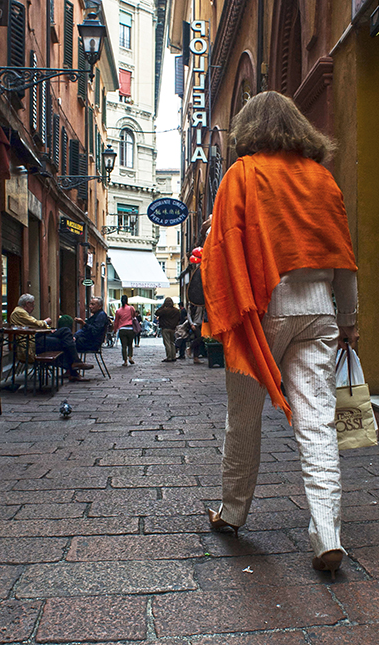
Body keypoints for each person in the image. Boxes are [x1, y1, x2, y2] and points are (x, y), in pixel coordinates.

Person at [201, 91, 358, 580]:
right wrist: (349, 319)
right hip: (319, 311)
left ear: (249, 127)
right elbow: (342, 257)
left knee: (243, 417)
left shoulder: (242, 174)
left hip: (260, 311)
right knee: (318, 423)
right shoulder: (323, 180)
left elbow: (221, 251)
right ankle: (327, 535)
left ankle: (232, 512)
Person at [10, 294, 93, 382]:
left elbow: (33, 325)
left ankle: (74, 366)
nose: (33, 308)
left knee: (65, 331)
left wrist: (50, 330)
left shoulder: (21, 312)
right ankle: (74, 367)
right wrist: (46, 321)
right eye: (33, 305)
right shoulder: (19, 312)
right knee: (64, 343)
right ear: (27, 304)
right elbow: (37, 324)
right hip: (31, 343)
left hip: (35, 338)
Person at [155, 297, 180, 362]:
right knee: (172, 342)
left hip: (165, 328)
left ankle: (169, 357)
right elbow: (179, 319)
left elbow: (156, 313)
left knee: (167, 343)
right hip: (173, 328)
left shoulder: (164, 310)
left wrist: (162, 306)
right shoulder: (176, 310)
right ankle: (173, 356)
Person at [113, 295, 136, 366]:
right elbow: (134, 316)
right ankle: (130, 357)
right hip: (130, 328)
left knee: (124, 346)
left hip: (122, 329)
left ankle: (125, 361)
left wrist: (115, 330)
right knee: (130, 344)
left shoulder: (118, 311)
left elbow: (116, 321)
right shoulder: (131, 308)